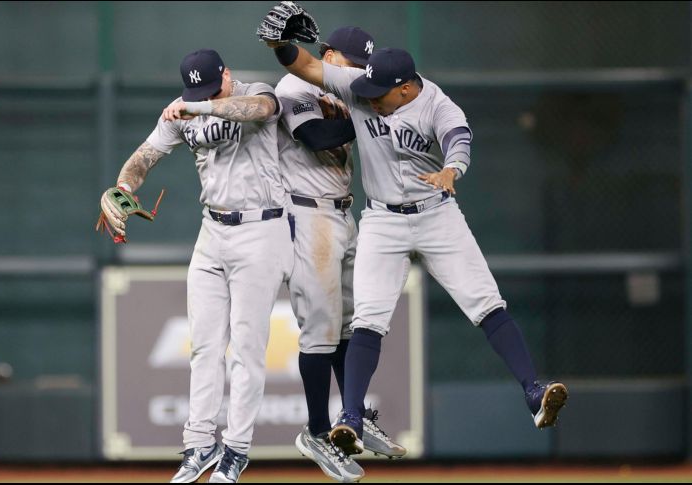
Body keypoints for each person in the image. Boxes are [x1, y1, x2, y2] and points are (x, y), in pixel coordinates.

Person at [263, 11, 569, 457]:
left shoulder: (437, 105)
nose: (367, 98)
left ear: (406, 88)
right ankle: (350, 418)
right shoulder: (362, 87)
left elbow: (459, 139)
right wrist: (278, 45)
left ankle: (533, 392)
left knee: (486, 302)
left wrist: (452, 169)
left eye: (379, 93)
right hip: (383, 220)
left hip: (436, 214)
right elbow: (307, 66)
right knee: (367, 318)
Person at [100, 48, 292, 484]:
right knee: (204, 346)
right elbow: (144, 157)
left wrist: (199, 105)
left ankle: (236, 449)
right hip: (213, 231)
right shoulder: (182, 109)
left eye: (210, 86)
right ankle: (199, 443)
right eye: (195, 90)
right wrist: (123, 186)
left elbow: (261, 109)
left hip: (261, 229)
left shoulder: (255, 91)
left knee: (246, 349)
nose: (201, 95)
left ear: (226, 74)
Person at [273, 26, 405, 482]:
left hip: (344, 212)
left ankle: (352, 413)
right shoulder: (293, 86)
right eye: (350, 62)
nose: (355, 72)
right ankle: (315, 431)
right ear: (327, 54)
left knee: (352, 323)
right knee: (321, 330)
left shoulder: (344, 90)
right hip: (306, 215)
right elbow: (316, 137)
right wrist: (367, 114)